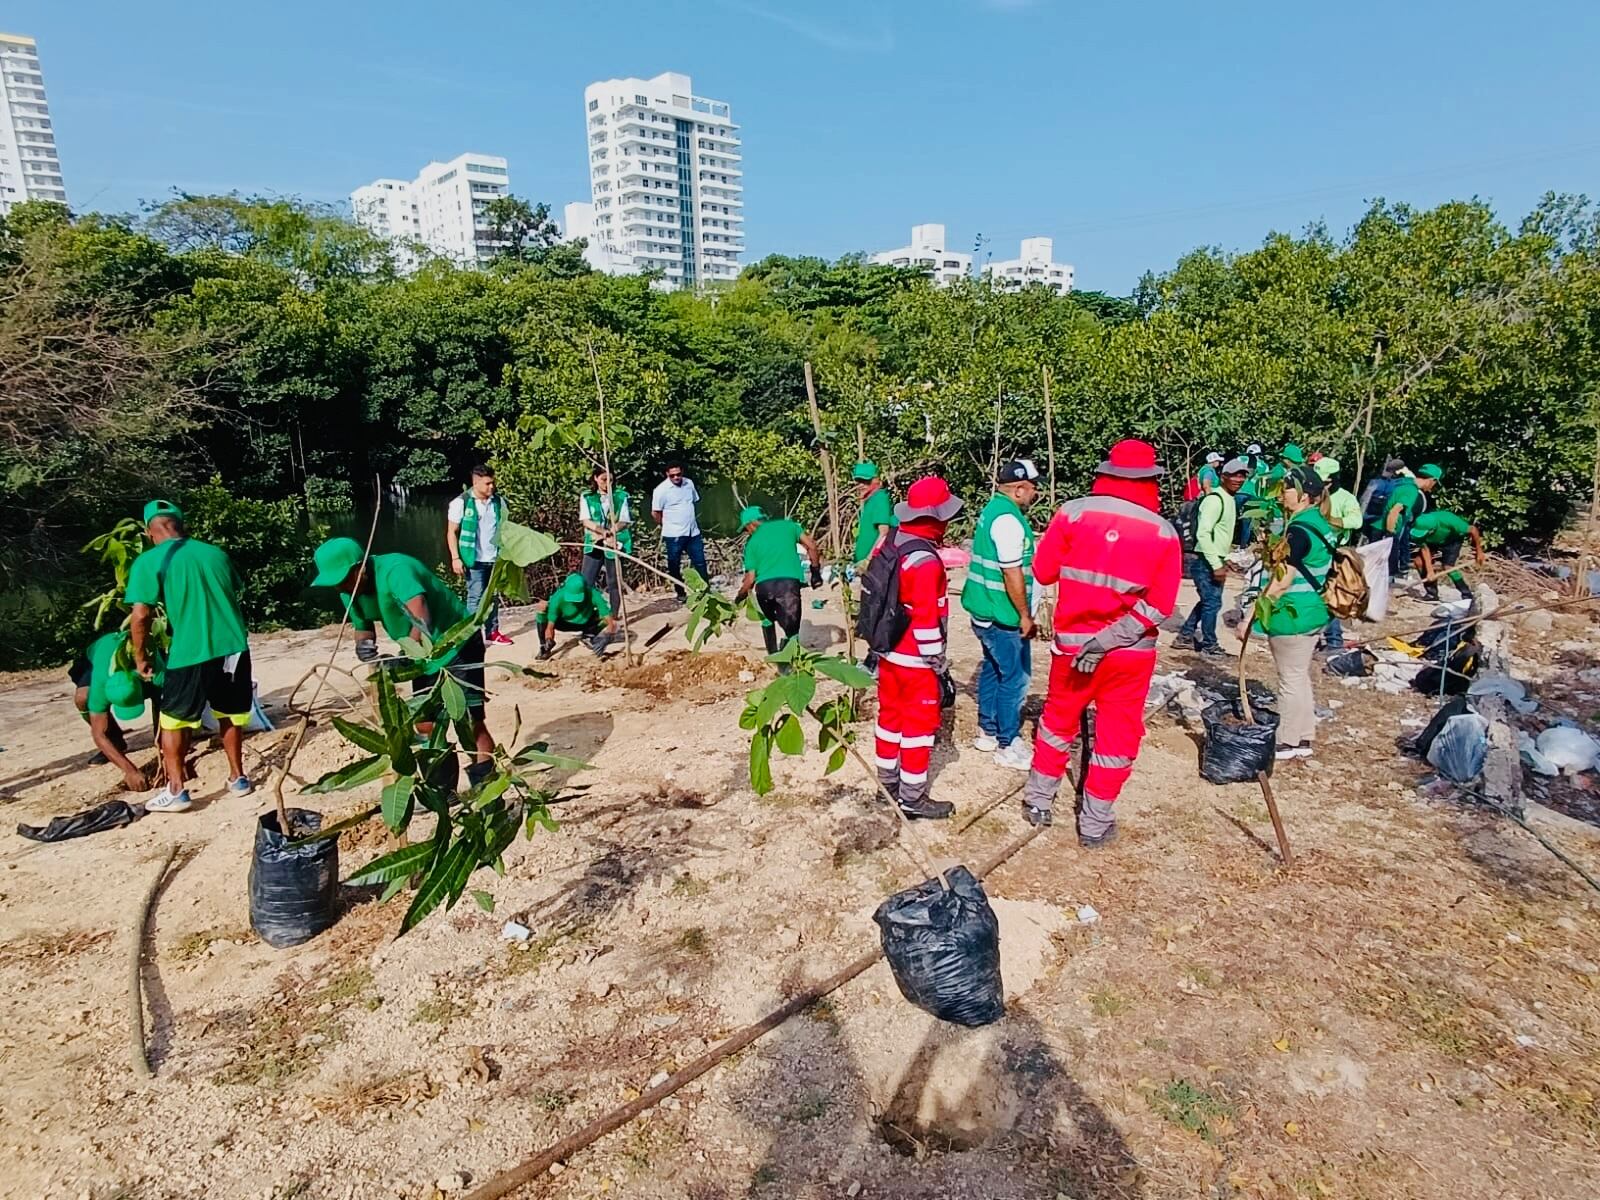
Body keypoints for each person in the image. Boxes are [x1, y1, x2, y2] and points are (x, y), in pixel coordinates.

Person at [1022, 440, 1182, 846]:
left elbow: (1042, 573)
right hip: (1129, 654)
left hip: (1073, 649)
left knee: (1058, 722)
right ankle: (1094, 823)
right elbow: (1160, 606)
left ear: (1107, 472)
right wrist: (1111, 638)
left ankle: (1038, 801)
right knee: (1117, 736)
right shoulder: (1163, 532)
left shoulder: (1072, 514)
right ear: (1150, 478)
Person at [312, 537, 496, 783]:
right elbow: (362, 625)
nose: (341, 587)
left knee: (470, 722)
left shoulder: (396, 570)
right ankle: (442, 790)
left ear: (362, 566)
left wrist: (407, 656)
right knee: (425, 725)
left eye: (345, 579)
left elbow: (422, 617)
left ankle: (488, 791)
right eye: (335, 583)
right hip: (421, 657)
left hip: (457, 643)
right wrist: (363, 644)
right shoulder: (349, 590)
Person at [127, 499, 254, 813]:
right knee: (230, 712)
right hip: (233, 646)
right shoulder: (215, 553)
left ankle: (176, 791)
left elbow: (140, 616)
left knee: (173, 721)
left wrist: (140, 656)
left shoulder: (149, 561)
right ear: (180, 524)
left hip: (189, 651)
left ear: (149, 531)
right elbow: (231, 591)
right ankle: (238, 779)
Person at [874, 476, 963, 821]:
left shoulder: (890, 542)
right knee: (919, 728)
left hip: (886, 651)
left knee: (889, 719)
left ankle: (886, 785)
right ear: (935, 517)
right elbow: (927, 620)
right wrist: (937, 663)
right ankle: (912, 798)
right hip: (914, 659)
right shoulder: (925, 562)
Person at [961, 459, 1041, 769]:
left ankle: (988, 730)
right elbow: (1012, 572)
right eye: (1033, 488)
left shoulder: (991, 510)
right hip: (1003, 614)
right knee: (1016, 678)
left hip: (984, 609)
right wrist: (1025, 615)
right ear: (1019, 488)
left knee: (994, 669)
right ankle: (1008, 742)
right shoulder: (1008, 521)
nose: (1034, 494)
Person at [1255, 466, 1335, 761]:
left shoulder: (1298, 531)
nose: (1282, 494)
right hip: (1314, 611)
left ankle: (1286, 741)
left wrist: (1256, 612)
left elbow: (1283, 579)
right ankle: (1303, 737)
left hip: (1292, 615)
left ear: (1303, 495)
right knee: (1299, 676)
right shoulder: (1320, 524)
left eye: (1287, 489)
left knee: (1289, 679)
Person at [70, 629, 160, 793]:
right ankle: (115, 740)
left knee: (161, 699)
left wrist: (163, 748)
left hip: (134, 658)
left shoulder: (153, 671)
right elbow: (98, 734)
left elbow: (163, 707)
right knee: (82, 699)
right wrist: (130, 770)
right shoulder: (100, 685)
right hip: (96, 656)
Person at [1177, 456, 1250, 656]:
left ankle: (1185, 635)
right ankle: (1209, 645)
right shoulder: (1215, 500)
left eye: (1242, 476)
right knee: (1212, 603)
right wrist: (1215, 564)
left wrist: (1223, 561)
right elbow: (1203, 534)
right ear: (1223, 476)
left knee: (1209, 601)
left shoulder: (1229, 500)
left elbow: (1219, 535)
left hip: (1214, 559)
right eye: (1234, 475)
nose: (1239, 479)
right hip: (1206, 561)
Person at [733, 506, 823, 656]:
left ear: (751, 524)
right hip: (788, 586)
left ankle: (773, 655)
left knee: (766, 619)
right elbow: (812, 546)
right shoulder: (789, 526)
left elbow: (750, 579)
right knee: (792, 629)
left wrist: (739, 597)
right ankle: (790, 660)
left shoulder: (751, 544)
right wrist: (815, 573)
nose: (747, 532)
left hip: (764, 588)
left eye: (746, 529)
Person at [447, 465, 513, 646]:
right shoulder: (461, 503)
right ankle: (471, 635)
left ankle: (492, 632)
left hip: (495, 557)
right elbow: (452, 532)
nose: (492, 487)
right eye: (487, 484)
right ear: (475, 483)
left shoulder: (499, 502)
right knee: (475, 596)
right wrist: (455, 557)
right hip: (473, 558)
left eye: (493, 483)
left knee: (492, 597)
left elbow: (505, 529)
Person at [1314, 457, 1363, 651]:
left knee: (1329, 596)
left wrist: (1332, 520)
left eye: (1325, 482)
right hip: (1314, 551)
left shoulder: (1345, 498)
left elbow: (1356, 521)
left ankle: (1334, 641)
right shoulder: (1314, 495)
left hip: (1334, 552)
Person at [579, 467, 632, 615]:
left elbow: (624, 521)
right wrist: (602, 533)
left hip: (613, 542)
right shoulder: (587, 497)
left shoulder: (621, 496)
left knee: (613, 581)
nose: (607, 484)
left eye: (610, 480)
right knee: (587, 581)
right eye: (603, 480)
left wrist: (610, 533)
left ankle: (614, 614)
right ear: (596, 478)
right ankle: (587, 613)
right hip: (594, 541)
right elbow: (586, 521)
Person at [651, 462, 707, 600]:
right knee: (674, 564)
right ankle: (680, 593)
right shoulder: (661, 490)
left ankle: (705, 591)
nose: (676, 477)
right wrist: (665, 524)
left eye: (678, 474)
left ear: (682, 472)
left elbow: (693, 501)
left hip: (692, 532)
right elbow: (655, 512)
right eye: (672, 475)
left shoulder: (689, 484)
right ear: (667, 475)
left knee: (700, 562)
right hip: (673, 534)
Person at [1380, 463, 1441, 581]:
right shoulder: (1412, 490)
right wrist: (1390, 534)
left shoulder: (1403, 482)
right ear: (1432, 480)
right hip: (1389, 527)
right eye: (1435, 484)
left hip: (1380, 524)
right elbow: (1395, 510)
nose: (1433, 487)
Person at [535, 572, 618, 659]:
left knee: (604, 616)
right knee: (542, 608)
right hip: (563, 623)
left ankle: (588, 635)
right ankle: (544, 647)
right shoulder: (558, 597)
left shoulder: (593, 594)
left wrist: (607, 636)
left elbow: (609, 619)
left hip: (586, 623)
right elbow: (550, 627)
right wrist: (549, 639)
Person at [1410, 509, 1483, 603]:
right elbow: (1424, 549)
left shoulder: (1449, 520)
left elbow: (1473, 530)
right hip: (1433, 542)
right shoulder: (1419, 528)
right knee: (1418, 562)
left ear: (1433, 529)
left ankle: (1467, 594)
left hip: (1452, 540)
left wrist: (1479, 551)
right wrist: (1430, 571)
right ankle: (1431, 593)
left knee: (1448, 567)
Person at [851, 461, 897, 568]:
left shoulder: (880, 498)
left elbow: (883, 533)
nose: (861, 485)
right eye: (858, 481)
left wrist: (868, 560)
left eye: (865, 481)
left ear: (876, 480)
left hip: (874, 565)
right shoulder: (871, 500)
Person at [1235, 443, 1267, 546]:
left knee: (1230, 517)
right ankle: (1244, 545)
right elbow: (1264, 484)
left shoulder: (1240, 459)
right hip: (1254, 495)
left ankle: (1226, 541)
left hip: (1239, 492)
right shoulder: (1264, 465)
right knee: (1247, 521)